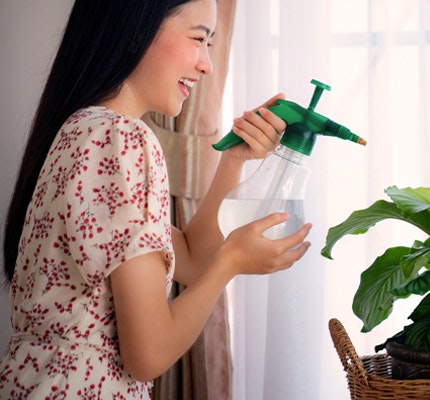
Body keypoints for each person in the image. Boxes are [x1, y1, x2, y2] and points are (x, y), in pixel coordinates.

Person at [0, 0, 312, 398]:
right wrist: (232, 261)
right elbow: (147, 355)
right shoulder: (123, 139)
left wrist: (234, 159)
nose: (207, 65)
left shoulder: (82, 131)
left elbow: (193, 260)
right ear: (137, 29)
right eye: (199, 39)